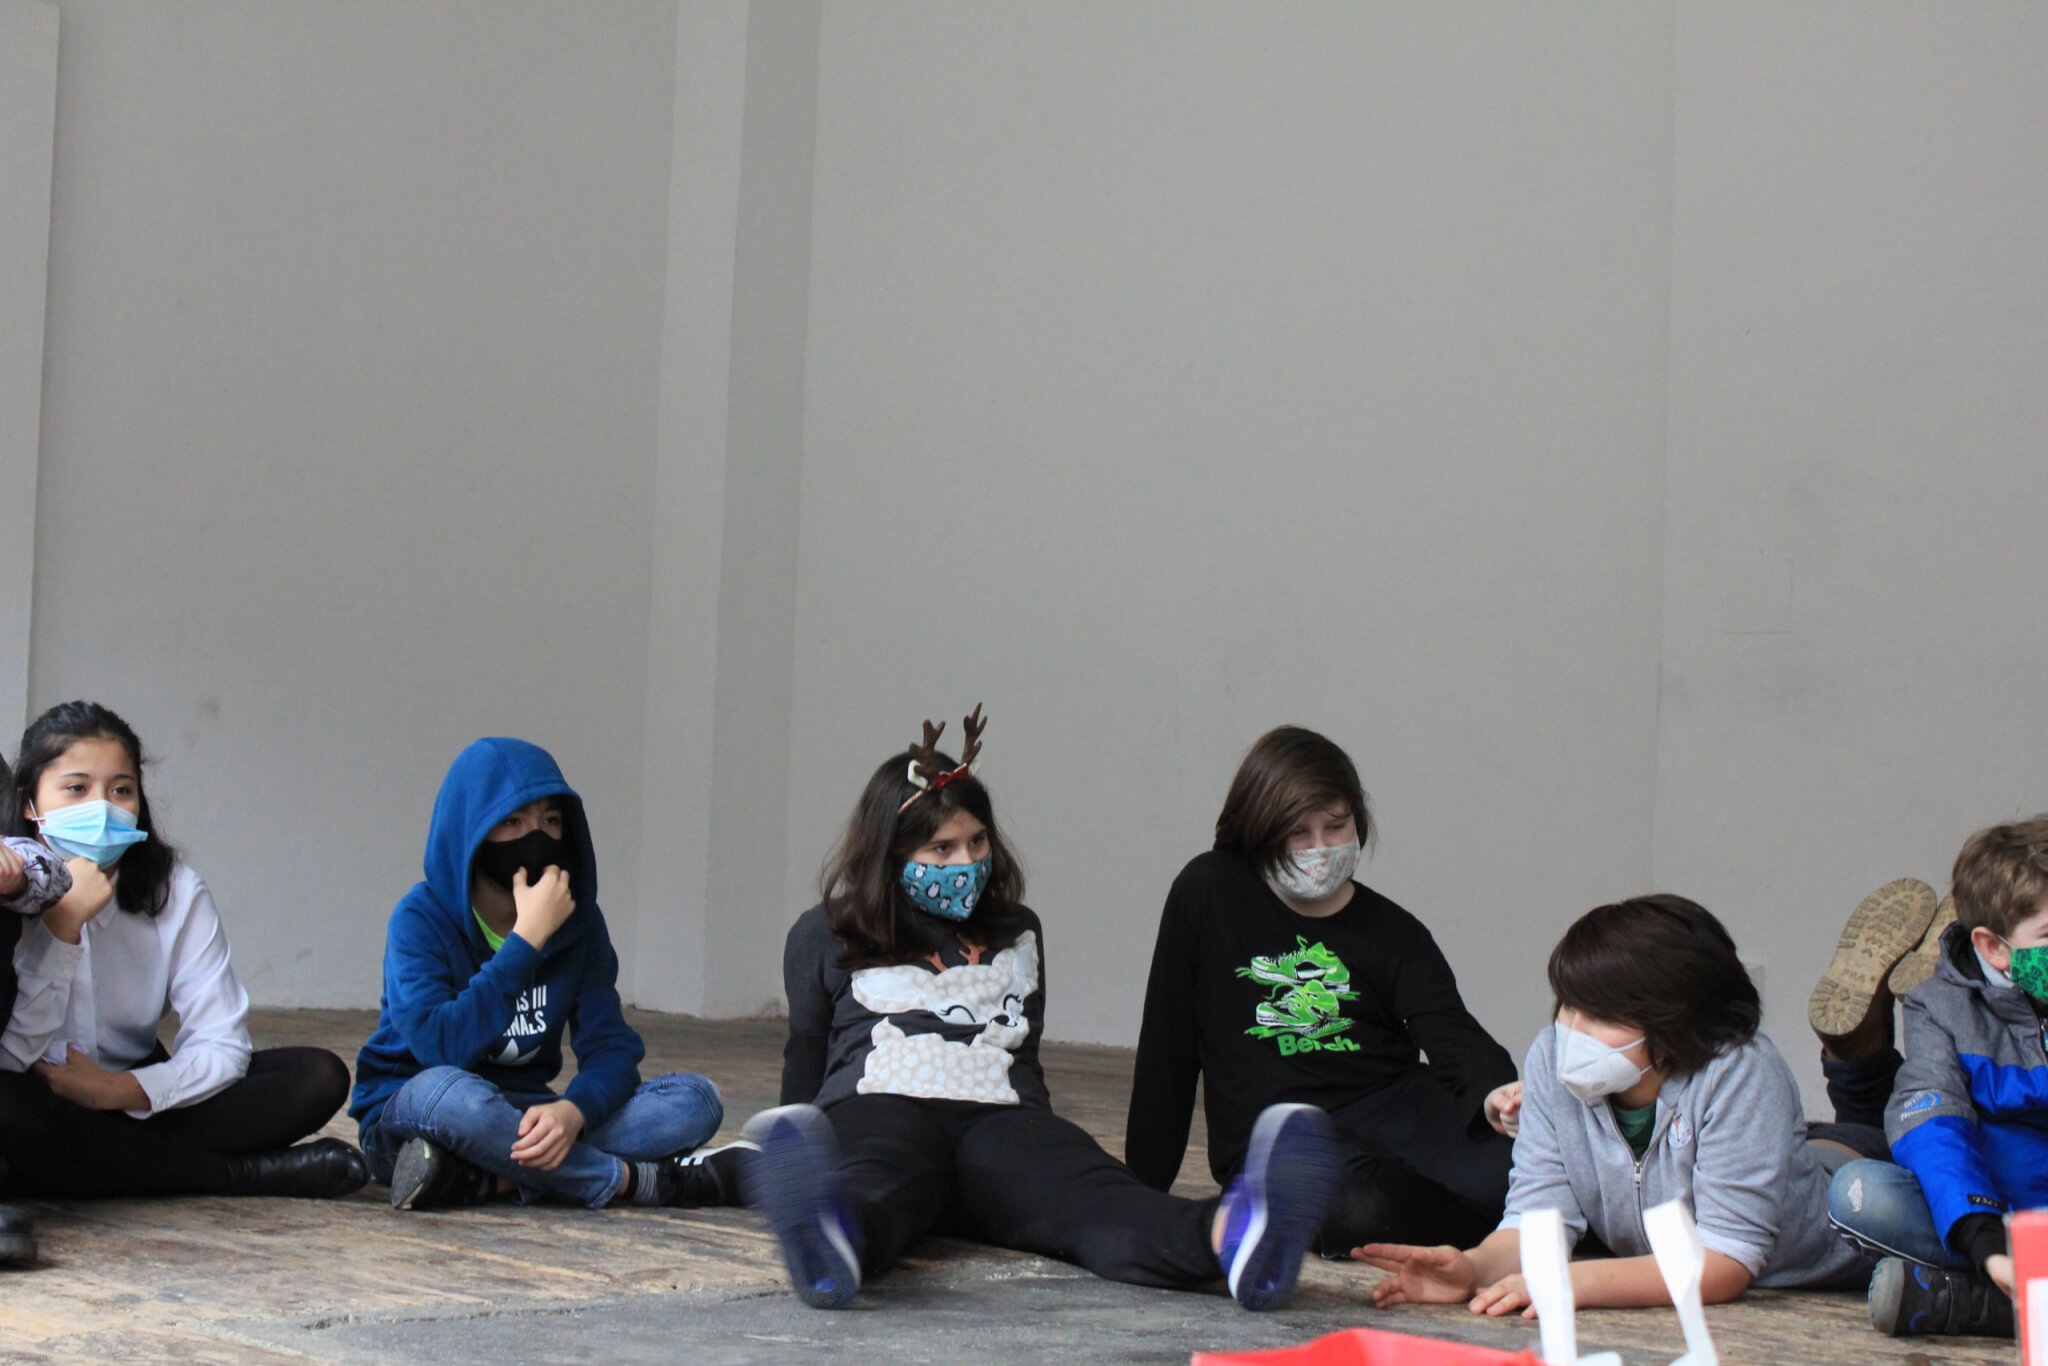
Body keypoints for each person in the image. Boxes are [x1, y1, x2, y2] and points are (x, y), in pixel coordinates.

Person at [744, 708, 1338, 1311]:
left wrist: (1044, 1149)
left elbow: (1021, 1051)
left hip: (999, 1117)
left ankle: (1236, 1236)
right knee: (875, 1182)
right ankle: (831, 1238)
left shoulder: (1018, 929)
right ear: (889, 853)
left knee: (1092, 1197)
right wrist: (797, 1147)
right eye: (941, 848)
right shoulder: (825, 933)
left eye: (977, 842)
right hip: (879, 1107)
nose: (965, 862)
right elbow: (807, 1054)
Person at [1360, 896, 1873, 1317]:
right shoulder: (1551, 1057)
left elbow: (1722, 1262)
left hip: (1843, 1232)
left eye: (1601, 1016)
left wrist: (1572, 1282)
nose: (1571, 1030)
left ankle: (1862, 1058)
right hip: (1776, 1155)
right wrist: (1472, 1267)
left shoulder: (1741, 1070)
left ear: (1676, 1022)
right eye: (1568, 1004)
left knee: (1872, 1169)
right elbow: (1537, 1220)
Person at [1126, 725, 1515, 1254]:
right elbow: (1167, 1045)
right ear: (1260, 829)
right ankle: (1505, 1226)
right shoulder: (1211, 891)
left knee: (1520, 1168)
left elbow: (1451, 1031)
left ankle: (1497, 1217)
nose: (1320, 848)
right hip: (1279, 1133)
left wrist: (1496, 1093)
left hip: (1391, 1106)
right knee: (1356, 1206)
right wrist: (1142, 1192)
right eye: (1298, 833)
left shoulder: (1393, 930)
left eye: (1336, 827)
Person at [0, 701, 366, 1205]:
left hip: (137, 1099)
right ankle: (241, 1175)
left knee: (317, 1077)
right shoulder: (11, 888)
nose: (102, 808)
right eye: (77, 789)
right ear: (29, 803)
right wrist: (63, 926)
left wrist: (112, 1090)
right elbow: (11, 1056)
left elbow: (221, 1044)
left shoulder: (174, 890)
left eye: (121, 790)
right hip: (41, 1102)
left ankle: (113, 1167)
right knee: (8, 1108)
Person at [351, 737, 736, 1211]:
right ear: (471, 829)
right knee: (448, 1094)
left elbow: (611, 1048)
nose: (535, 838)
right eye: (511, 822)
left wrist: (574, 1111)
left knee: (696, 1099)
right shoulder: (420, 918)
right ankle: (629, 1180)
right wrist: (526, 942)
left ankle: (489, 1179)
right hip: (417, 1112)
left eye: (550, 821)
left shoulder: (578, 922)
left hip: (522, 1114)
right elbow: (440, 1048)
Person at [1828, 816, 2048, 1339]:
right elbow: (1931, 1122)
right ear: (1994, 947)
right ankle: (2006, 1285)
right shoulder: (1937, 1007)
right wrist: (1985, 1240)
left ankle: (1979, 1306)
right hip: (1998, 1217)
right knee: (1861, 1192)